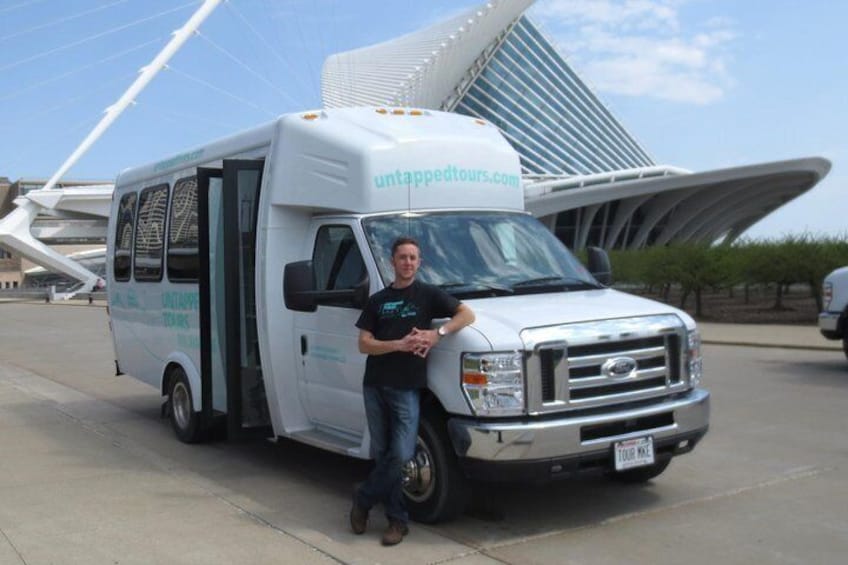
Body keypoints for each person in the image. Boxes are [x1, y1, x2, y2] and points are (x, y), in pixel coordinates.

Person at [350, 236, 475, 546]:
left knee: (402, 454)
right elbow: (363, 343)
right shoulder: (378, 300)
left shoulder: (428, 295)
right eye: (402, 257)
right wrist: (398, 344)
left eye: (413, 257)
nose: (407, 262)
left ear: (419, 263)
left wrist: (437, 334)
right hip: (375, 386)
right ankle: (397, 520)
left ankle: (364, 499)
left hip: (407, 388)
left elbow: (467, 315)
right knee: (383, 454)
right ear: (392, 262)